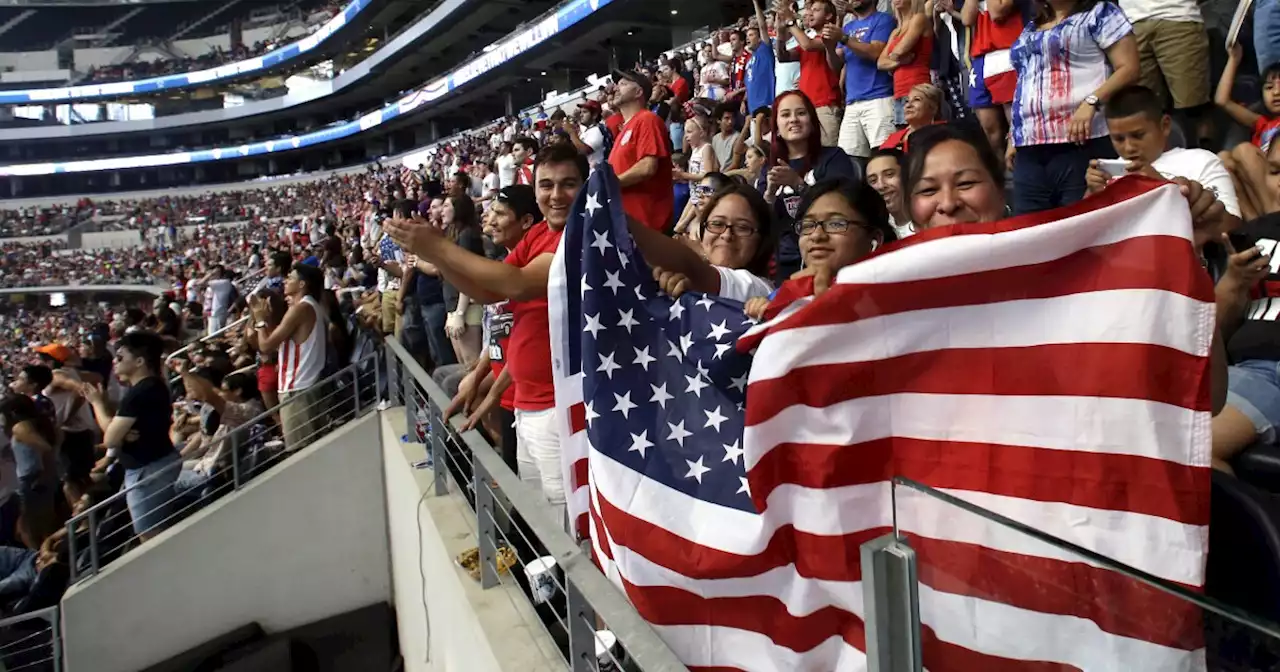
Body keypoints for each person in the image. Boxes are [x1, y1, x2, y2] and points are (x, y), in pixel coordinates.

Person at [385, 143, 589, 525]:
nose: (556, 195)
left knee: (568, 528)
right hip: (529, 405)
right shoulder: (541, 233)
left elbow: (516, 283)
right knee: (539, 518)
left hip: (558, 408)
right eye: (546, 185)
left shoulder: (579, 236)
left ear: (586, 186)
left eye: (568, 184)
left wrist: (440, 248)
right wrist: (440, 256)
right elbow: (488, 292)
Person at [1008, 0, 1139, 214]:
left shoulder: (1100, 13)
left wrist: (1092, 101)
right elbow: (1026, 79)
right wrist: (1013, 134)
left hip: (1081, 141)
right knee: (1030, 231)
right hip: (1029, 149)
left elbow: (1130, 68)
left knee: (1079, 227)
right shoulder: (1032, 25)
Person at [444, 185, 542, 470]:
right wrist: (478, 376)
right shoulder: (508, 262)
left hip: (524, 397)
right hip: (511, 397)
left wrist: (492, 395)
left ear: (525, 221)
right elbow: (501, 333)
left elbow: (528, 343)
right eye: (491, 211)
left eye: (500, 213)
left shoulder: (533, 271)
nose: (490, 219)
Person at [1084, 85, 1241, 227]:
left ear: (1165, 125)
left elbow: (1232, 226)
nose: (1129, 147)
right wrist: (1092, 195)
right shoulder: (1105, 176)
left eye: (1138, 135)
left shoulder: (1201, 161)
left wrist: (1160, 185)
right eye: (1118, 139)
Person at [744, 177, 897, 319]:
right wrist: (765, 311)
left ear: (874, 239)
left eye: (836, 224)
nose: (816, 236)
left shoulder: (897, 295)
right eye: (808, 225)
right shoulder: (784, 295)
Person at [83, 331, 182, 541]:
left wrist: (97, 403)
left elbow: (109, 438)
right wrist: (122, 433)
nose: (115, 363)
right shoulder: (154, 386)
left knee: (150, 535)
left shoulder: (139, 393)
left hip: (148, 469)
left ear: (139, 361)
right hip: (156, 463)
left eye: (120, 358)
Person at [764, 90, 860, 281]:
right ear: (776, 127)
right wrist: (769, 196)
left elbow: (842, 206)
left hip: (828, 255)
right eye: (785, 115)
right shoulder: (769, 168)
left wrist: (798, 185)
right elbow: (762, 224)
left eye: (800, 113)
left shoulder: (834, 157)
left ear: (812, 122)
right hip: (784, 262)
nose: (793, 120)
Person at [631, 180, 777, 303]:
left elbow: (694, 269)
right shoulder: (690, 279)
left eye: (742, 227)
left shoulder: (761, 289)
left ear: (762, 239)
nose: (727, 235)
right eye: (717, 224)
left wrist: (616, 219)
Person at [249, 263, 329, 451]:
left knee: (300, 452)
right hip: (304, 387)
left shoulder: (301, 309)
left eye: (291, 278)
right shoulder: (310, 306)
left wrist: (260, 320)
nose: (286, 281)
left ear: (302, 284)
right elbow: (276, 343)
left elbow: (266, 347)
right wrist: (266, 320)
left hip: (297, 390)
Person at [1216, 44, 1280, 221]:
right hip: (1261, 186)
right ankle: (1253, 224)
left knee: (1244, 150)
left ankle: (1272, 218)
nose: (1276, 92)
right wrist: (1233, 60)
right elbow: (1222, 101)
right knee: (1222, 158)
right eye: (1269, 87)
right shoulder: (1262, 123)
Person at [608, 68, 674, 233]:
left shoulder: (647, 119)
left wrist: (610, 183)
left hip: (647, 227)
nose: (615, 88)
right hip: (629, 225)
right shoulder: (625, 128)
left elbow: (647, 167)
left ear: (638, 92)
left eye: (622, 84)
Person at [961, 0, 1029, 156]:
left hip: (1007, 50)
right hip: (981, 56)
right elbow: (966, 18)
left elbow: (997, 11)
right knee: (989, 129)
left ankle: (1017, 175)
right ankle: (996, 176)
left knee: (1015, 125)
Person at [775, 0, 845, 147]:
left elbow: (808, 45)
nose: (810, 13)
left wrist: (790, 22)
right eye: (810, 10)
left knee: (829, 154)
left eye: (816, 10)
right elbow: (783, 57)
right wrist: (780, 32)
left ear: (829, 15)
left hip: (826, 106)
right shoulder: (810, 40)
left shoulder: (830, 36)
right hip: (808, 108)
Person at [837, 0, 897, 157]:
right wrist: (829, 44)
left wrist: (844, 39)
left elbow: (876, 52)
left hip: (879, 97)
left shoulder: (884, 19)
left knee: (885, 155)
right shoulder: (847, 27)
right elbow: (836, 63)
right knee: (848, 160)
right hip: (852, 102)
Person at [0, 395, 58, 549]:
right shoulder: (38, 423)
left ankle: (37, 557)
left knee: (26, 528)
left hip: (30, 478)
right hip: (37, 476)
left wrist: (46, 472)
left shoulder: (20, 428)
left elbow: (46, 449)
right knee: (42, 523)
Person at [441, 196, 485, 367]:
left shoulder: (467, 235)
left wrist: (459, 314)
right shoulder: (453, 234)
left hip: (467, 309)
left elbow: (467, 276)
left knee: (472, 365)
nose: (441, 211)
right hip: (454, 306)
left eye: (446, 205)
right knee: (463, 365)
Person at [877, 0, 934, 127]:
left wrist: (893, 58)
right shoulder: (895, 31)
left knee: (920, 136)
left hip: (918, 88)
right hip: (899, 92)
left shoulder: (919, 18)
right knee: (904, 139)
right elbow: (880, 63)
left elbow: (899, 51)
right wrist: (899, 62)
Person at [866, 148, 915, 237]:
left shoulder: (929, 220)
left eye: (889, 174)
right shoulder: (875, 230)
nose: (881, 186)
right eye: (873, 180)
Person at [880, 82, 944, 151]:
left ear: (933, 108)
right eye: (907, 101)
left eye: (917, 99)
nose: (908, 105)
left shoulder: (945, 133)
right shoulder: (893, 139)